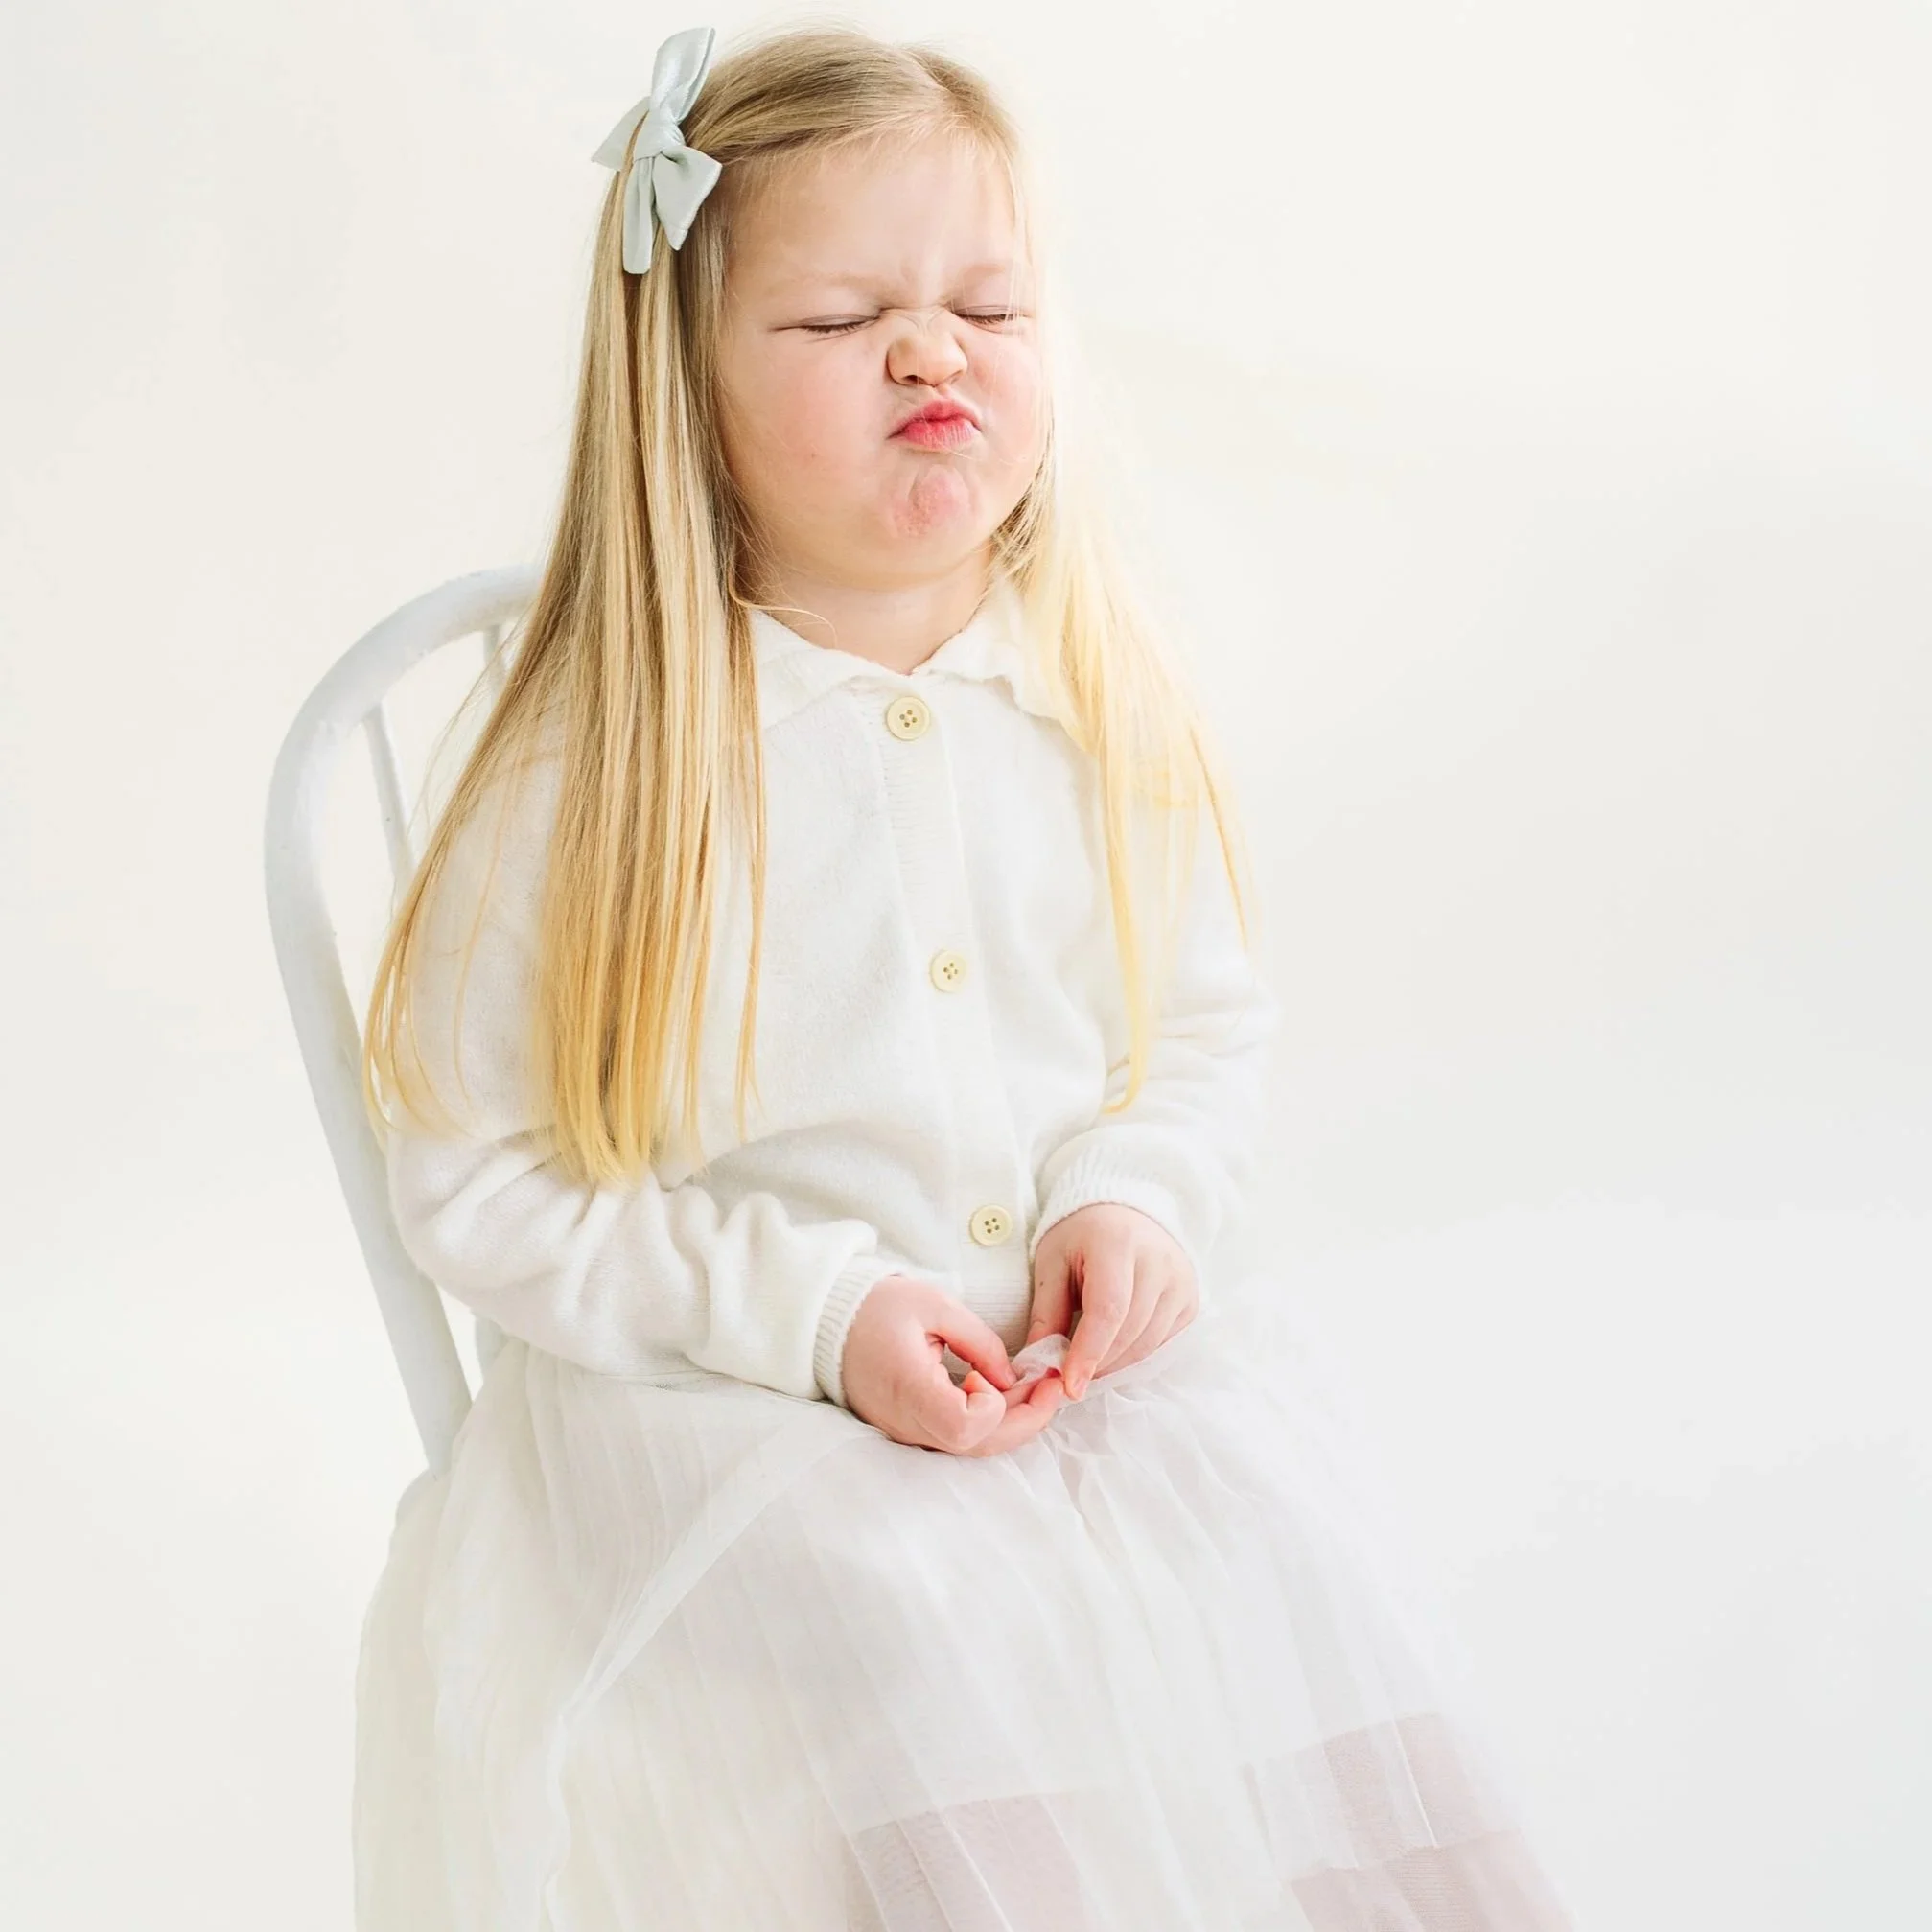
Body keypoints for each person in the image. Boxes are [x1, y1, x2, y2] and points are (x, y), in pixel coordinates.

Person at [350, 23, 1583, 1930]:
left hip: (1054, 1365)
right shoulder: (597, 767)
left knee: (1281, 1560)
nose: (932, 353)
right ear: (685, 381)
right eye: (843, 318)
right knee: (917, 1620)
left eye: (986, 307)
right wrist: (815, 1312)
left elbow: (1197, 1031)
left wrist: (1129, 1194)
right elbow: (474, 1179)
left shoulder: (1089, 696)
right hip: (733, 1403)